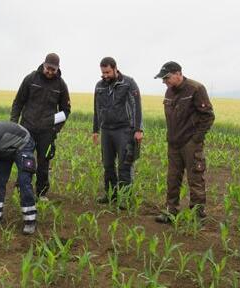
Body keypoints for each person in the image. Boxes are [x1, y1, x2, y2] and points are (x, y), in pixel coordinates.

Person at [153, 61, 215, 223]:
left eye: (166, 78)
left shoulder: (196, 89)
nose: (164, 82)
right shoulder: (169, 92)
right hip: (173, 143)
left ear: (178, 74)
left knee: (195, 178)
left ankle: (197, 215)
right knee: (172, 179)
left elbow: (208, 116)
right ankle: (170, 211)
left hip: (190, 143)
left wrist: (196, 139)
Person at [11, 53, 71, 201]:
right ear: (43, 65)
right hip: (27, 128)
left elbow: (65, 111)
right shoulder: (31, 79)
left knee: (44, 162)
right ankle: (22, 187)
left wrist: (55, 129)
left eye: (53, 70)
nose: (50, 72)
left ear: (58, 69)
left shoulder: (61, 85)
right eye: (48, 68)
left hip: (47, 132)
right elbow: (18, 102)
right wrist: (14, 124)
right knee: (26, 159)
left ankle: (41, 192)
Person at [92, 57, 143, 208]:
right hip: (106, 130)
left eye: (107, 72)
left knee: (124, 165)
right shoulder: (99, 86)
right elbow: (96, 109)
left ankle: (125, 199)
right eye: (103, 72)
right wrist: (95, 130)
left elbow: (137, 107)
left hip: (124, 130)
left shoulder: (128, 83)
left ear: (115, 68)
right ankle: (110, 195)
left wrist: (138, 129)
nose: (105, 75)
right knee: (107, 165)